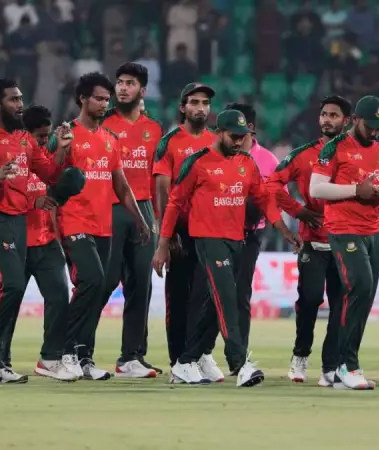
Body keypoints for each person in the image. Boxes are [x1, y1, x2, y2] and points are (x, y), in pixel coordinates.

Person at [152, 109, 302, 387]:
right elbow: (174, 203)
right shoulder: (197, 162)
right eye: (234, 136)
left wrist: (284, 230)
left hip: (236, 240)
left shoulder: (246, 162)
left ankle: (185, 362)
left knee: (214, 306)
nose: (239, 141)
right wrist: (163, 244)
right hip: (208, 240)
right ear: (219, 132)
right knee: (228, 298)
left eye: (243, 137)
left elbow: (264, 199)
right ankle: (240, 364)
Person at [0, 78, 84, 383]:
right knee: (11, 286)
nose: (20, 104)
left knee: (16, 290)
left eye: (21, 98)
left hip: (17, 221)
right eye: (13, 99)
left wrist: (63, 150)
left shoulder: (25, 140)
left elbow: (50, 173)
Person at [57, 72, 151, 381]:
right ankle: (64, 351)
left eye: (106, 99)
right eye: (98, 98)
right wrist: (60, 149)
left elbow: (121, 186)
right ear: (82, 99)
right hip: (74, 221)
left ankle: (84, 357)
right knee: (94, 280)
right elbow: (50, 173)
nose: (104, 103)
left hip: (103, 225)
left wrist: (141, 219)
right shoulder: (67, 133)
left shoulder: (110, 139)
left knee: (96, 288)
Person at [310, 95, 379, 390]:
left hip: (373, 230)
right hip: (343, 228)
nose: (375, 131)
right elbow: (316, 189)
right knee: (361, 286)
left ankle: (339, 367)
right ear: (355, 120)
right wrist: (355, 190)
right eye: (370, 125)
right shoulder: (333, 148)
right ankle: (347, 365)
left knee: (364, 295)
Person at [267, 95, 351, 386]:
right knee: (310, 300)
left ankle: (331, 365)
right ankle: (300, 355)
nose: (327, 120)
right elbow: (272, 183)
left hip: (346, 242)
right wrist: (297, 210)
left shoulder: (356, 153)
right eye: (324, 114)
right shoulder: (303, 155)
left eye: (334, 115)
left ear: (347, 121)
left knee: (341, 306)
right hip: (313, 242)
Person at [0, 105, 80, 382]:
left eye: (47, 136)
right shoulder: (12, 155)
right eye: (40, 137)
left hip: (46, 239)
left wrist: (63, 149)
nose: (44, 142)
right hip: (16, 239)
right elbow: (2, 193)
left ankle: (51, 359)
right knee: (9, 301)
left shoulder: (44, 157)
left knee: (59, 298)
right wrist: (33, 201)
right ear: (25, 133)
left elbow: (58, 179)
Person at [152, 83, 222, 381]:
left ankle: (197, 355)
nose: (201, 108)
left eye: (205, 103)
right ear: (183, 107)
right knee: (179, 297)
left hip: (210, 230)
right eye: (194, 102)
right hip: (181, 230)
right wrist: (165, 236)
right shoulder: (169, 142)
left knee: (207, 298)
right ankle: (178, 362)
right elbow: (161, 190)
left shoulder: (216, 140)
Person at [101, 63, 164, 378]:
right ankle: (77, 350)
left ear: (143, 90)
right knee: (103, 282)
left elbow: (157, 176)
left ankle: (132, 357)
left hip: (144, 208)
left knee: (141, 285)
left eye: (130, 83)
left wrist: (159, 219)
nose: (123, 88)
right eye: (120, 82)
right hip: (110, 208)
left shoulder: (154, 129)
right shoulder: (103, 123)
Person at [225, 102, 278, 354]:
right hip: (217, 232)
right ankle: (200, 354)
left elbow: (276, 199)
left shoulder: (268, 160)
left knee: (241, 293)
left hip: (250, 234)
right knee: (210, 293)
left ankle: (239, 354)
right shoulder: (216, 155)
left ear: (250, 127)